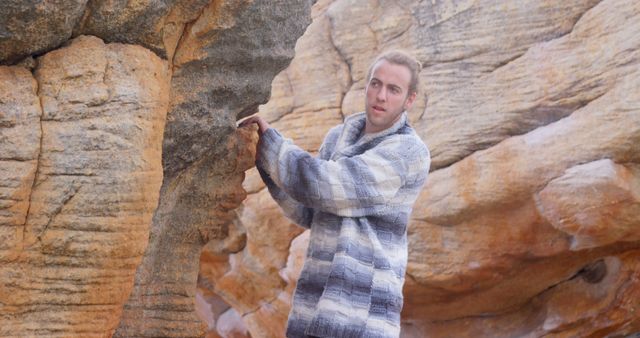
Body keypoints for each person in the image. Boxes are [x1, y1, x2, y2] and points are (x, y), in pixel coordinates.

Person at [239, 50, 430, 338]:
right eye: (376, 84)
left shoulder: (409, 152)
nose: (381, 96)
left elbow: (330, 187)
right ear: (365, 86)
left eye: (394, 89)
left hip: (362, 316)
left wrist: (273, 146)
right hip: (315, 305)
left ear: (409, 99)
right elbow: (309, 211)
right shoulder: (337, 138)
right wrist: (264, 157)